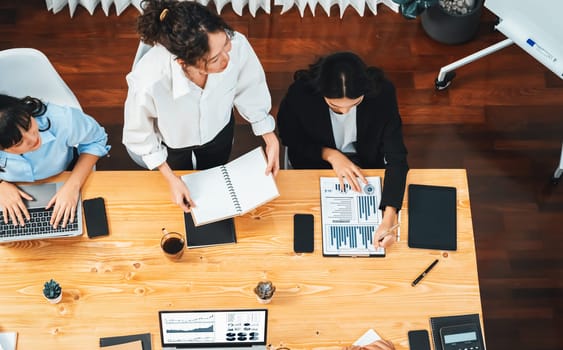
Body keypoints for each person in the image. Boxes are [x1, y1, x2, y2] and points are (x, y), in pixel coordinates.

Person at [123, 0, 280, 213]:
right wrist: (171, 179)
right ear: (184, 63)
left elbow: (250, 86)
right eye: (215, 59)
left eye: (226, 45)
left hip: (219, 131)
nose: (227, 59)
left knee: (215, 175)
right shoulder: (149, 80)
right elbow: (140, 133)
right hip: (174, 143)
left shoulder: (237, 44)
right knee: (188, 190)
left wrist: (269, 137)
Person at [277, 52, 408, 248]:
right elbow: (290, 137)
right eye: (335, 106)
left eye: (355, 104)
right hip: (315, 161)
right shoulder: (301, 94)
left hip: (367, 160)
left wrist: (390, 215)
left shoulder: (382, 93)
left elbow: (397, 156)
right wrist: (330, 155)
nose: (345, 112)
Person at [0, 94, 110, 228]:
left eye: (29, 125)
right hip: (11, 188)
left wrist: (72, 186)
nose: (33, 138)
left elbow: (96, 140)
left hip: (65, 173)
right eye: (19, 143)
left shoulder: (62, 119)